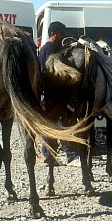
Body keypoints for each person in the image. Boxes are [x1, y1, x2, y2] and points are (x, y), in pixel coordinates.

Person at [39, 21, 80, 166]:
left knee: (52, 124)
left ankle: (50, 156)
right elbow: (47, 72)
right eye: (61, 34)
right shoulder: (48, 49)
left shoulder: (53, 48)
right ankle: (69, 155)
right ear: (53, 34)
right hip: (53, 94)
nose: (63, 36)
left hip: (55, 93)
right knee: (60, 124)